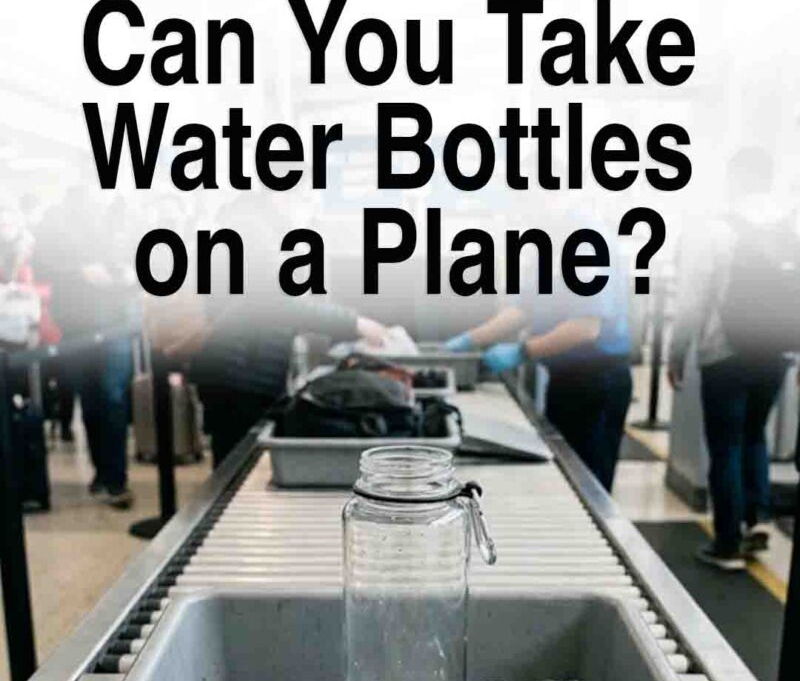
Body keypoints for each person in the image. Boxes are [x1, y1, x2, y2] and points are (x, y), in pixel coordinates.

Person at [157, 197, 390, 467]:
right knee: (239, 461)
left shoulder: (253, 226)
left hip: (233, 368)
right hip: (241, 372)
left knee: (235, 455)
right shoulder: (253, 228)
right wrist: (353, 322)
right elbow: (275, 301)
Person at [669, 148, 797, 571]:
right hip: (775, 351)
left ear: (733, 179)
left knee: (725, 444)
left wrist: (678, 350)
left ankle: (727, 543)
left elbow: (691, 301)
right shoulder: (787, 230)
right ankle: (757, 518)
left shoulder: (716, 231)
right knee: (755, 434)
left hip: (724, 353)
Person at [446, 227, 632, 492]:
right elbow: (523, 309)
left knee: (589, 484)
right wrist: (468, 340)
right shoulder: (548, 240)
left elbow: (586, 327)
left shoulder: (587, 241)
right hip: (565, 379)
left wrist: (522, 351)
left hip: (597, 383)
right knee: (566, 480)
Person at [34, 186, 140, 508]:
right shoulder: (55, 228)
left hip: (113, 324)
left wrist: (124, 275)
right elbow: (43, 268)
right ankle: (104, 474)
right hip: (79, 330)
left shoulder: (117, 225)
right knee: (94, 401)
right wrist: (80, 273)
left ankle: (115, 477)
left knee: (110, 397)